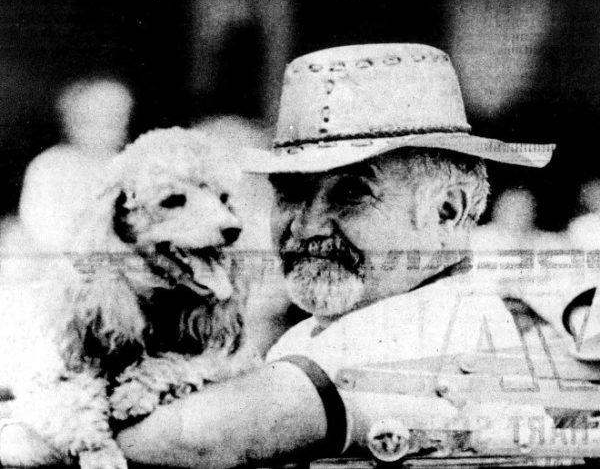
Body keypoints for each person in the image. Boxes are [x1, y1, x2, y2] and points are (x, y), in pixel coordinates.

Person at [0, 44, 555, 467]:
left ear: (447, 212)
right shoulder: (329, 327)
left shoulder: (439, 324)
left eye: (352, 192)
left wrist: (47, 424)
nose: (307, 225)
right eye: (290, 191)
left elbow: (203, 435)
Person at [18, 77, 134, 253]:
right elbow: (39, 225)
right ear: (71, 122)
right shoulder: (50, 165)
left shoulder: (129, 165)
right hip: (59, 257)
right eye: (92, 119)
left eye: (118, 119)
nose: (109, 128)